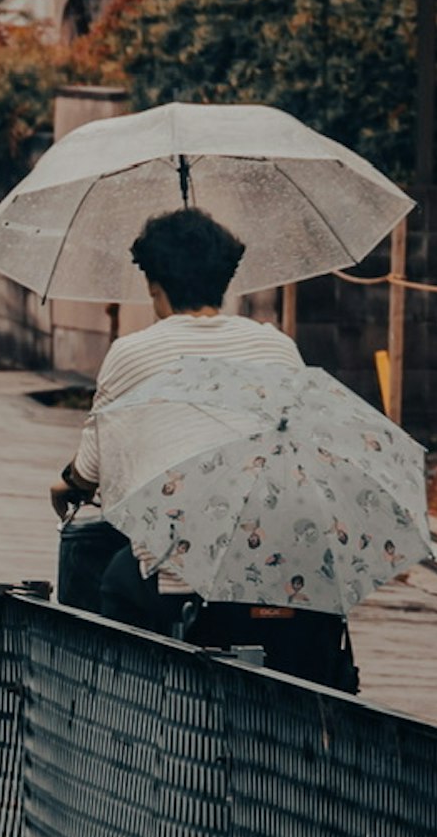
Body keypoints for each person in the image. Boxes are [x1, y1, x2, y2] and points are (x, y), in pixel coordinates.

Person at [49, 204, 360, 691]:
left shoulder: (133, 352)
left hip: (183, 551)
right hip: (283, 544)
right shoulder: (277, 348)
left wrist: (65, 485)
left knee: (108, 575)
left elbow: (94, 464)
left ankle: (94, 696)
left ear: (155, 285)